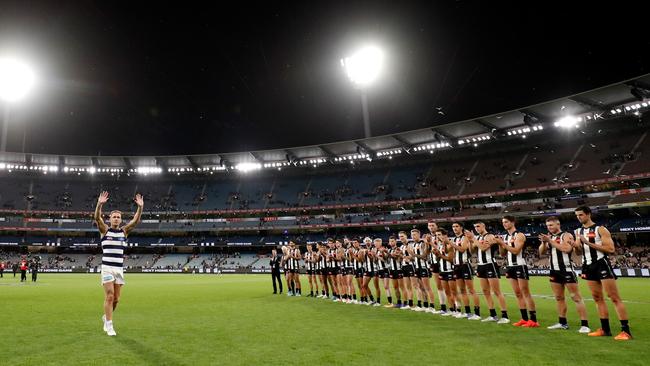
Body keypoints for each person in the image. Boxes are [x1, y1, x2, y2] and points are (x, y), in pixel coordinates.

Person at [574, 206, 631, 340]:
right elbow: (578, 252)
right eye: (577, 215)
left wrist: (587, 242)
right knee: (597, 298)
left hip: (601, 264)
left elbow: (610, 249)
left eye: (581, 215)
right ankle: (605, 329)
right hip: (587, 265)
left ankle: (626, 331)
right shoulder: (578, 231)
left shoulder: (600, 229)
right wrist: (577, 246)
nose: (578, 217)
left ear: (588, 214)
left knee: (614, 297)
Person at [94, 190, 144, 336]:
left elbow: (135, 221)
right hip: (107, 268)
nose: (116, 219)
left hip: (119, 269)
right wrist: (99, 204)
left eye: (118, 217)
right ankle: (109, 325)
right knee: (109, 295)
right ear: (110, 219)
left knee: (116, 300)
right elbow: (97, 218)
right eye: (114, 217)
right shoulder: (105, 230)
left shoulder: (124, 232)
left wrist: (140, 207)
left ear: (121, 220)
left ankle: (106, 316)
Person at [538, 216, 590, 333]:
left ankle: (585, 325)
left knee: (576, 297)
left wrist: (550, 241)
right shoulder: (549, 237)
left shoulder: (566, 235)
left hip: (566, 270)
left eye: (551, 225)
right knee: (559, 298)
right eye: (547, 226)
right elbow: (541, 253)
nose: (549, 227)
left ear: (558, 224)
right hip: (553, 270)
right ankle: (562, 322)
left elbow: (567, 249)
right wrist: (544, 242)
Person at [495, 215, 539, 328]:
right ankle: (524, 319)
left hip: (520, 265)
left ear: (513, 222)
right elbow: (503, 254)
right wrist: (500, 244)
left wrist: (503, 243)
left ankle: (533, 320)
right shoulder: (505, 237)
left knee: (525, 293)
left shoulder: (519, 235)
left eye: (506, 222)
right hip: (510, 266)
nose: (504, 224)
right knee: (518, 294)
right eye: (503, 222)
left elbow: (516, 251)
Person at [469, 221, 509, 324]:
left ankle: (505, 316)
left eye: (478, 226)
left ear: (484, 226)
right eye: (475, 227)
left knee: (496, 291)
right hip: (480, 265)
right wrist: (470, 241)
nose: (477, 228)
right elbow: (472, 251)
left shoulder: (490, 236)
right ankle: (493, 314)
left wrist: (473, 238)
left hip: (490, 265)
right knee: (485, 291)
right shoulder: (477, 238)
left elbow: (483, 248)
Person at [449, 223, 481, 320]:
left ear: (461, 228)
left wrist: (450, 243)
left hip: (465, 265)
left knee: (471, 290)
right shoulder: (454, 239)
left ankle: (477, 313)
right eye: (453, 227)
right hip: (457, 266)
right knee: (462, 290)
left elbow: (462, 249)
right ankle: (467, 312)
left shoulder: (465, 238)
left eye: (457, 226)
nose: (454, 228)